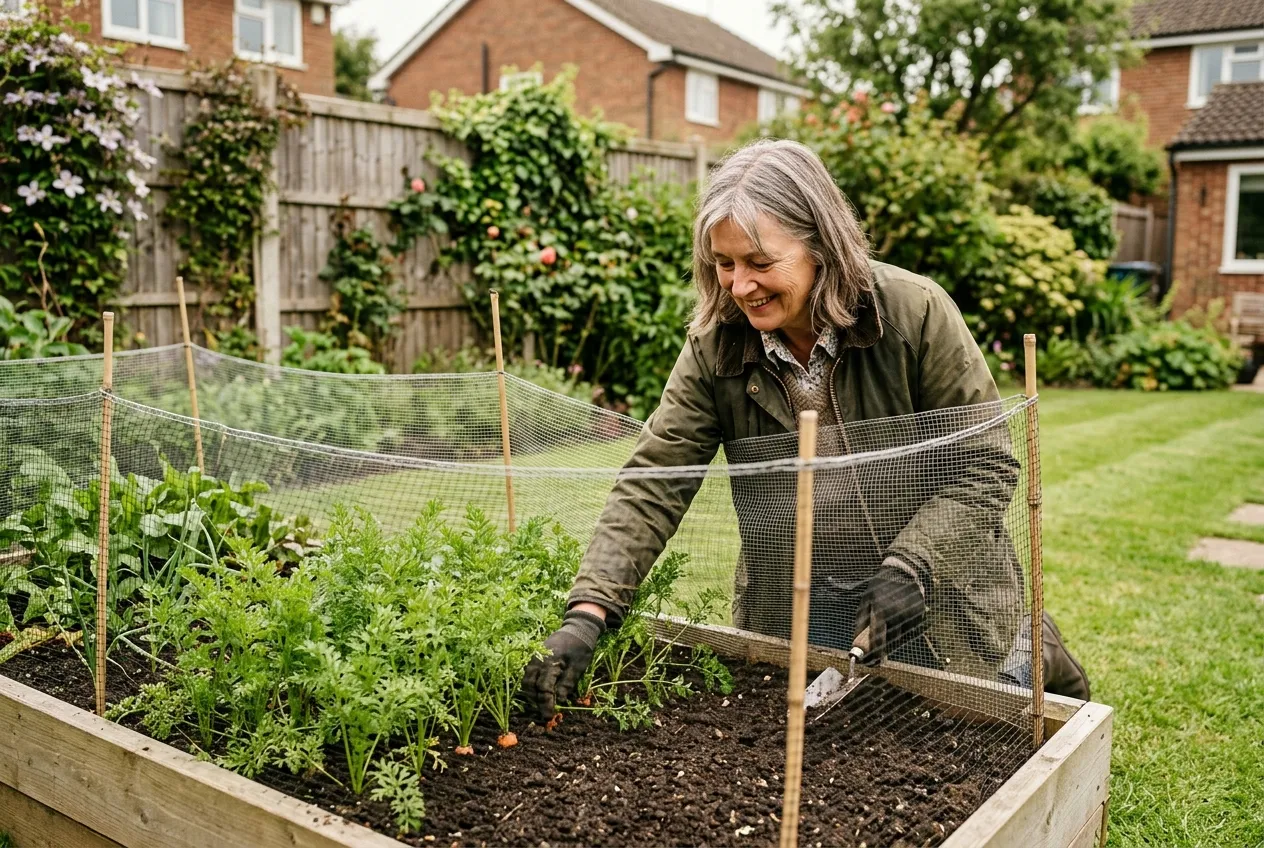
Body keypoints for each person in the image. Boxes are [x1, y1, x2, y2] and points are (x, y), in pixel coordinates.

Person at [522, 139, 1090, 720]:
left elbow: (985, 464)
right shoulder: (717, 346)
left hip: (927, 591)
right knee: (817, 731)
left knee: (965, 718)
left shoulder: (913, 314)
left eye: (760, 263)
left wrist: (911, 565)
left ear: (821, 246)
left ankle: (1032, 646)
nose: (739, 286)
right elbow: (657, 478)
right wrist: (589, 612)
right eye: (724, 264)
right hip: (797, 598)